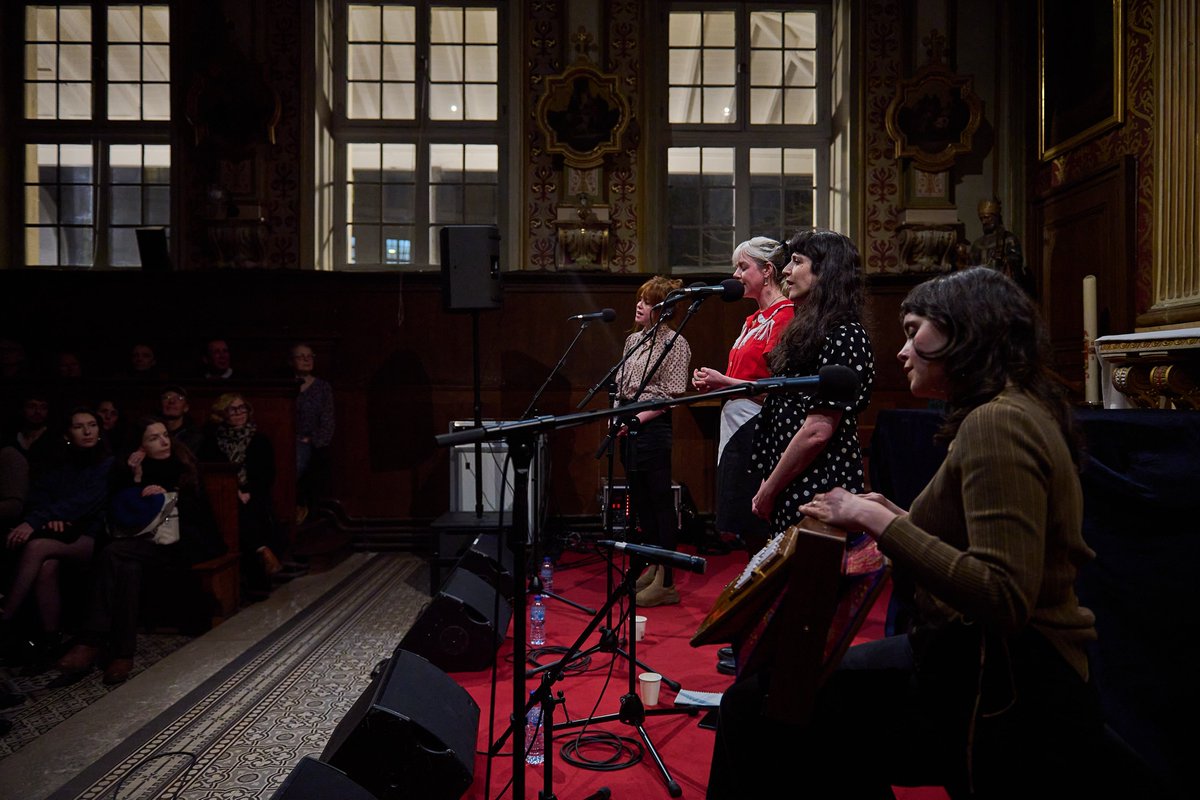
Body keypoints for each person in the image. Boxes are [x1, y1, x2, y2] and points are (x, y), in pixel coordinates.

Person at [707, 266, 1104, 798]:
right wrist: (893, 512)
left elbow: (1003, 595)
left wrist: (878, 519)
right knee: (781, 704)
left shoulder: (998, 422)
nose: (902, 349)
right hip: (978, 656)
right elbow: (968, 541)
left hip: (1005, 677)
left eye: (915, 330)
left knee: (759, 709)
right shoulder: (1009, 411)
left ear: (965, 331)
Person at [56, 418, 224, 684]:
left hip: (179, 546)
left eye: (165, 435)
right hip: (139, 547)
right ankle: (122, 654)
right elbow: (122, 516)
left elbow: (200, 519)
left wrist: (168, 494)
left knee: (113, 553)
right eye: (154, 437)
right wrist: (137, 481)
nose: (164, 441)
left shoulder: (184, 466)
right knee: (127, 567)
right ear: (141, 446)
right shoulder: (129, 470)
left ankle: (91, 640)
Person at [749, 228, 875, 534]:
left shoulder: (846, 334)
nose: (787, 271)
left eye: (796, 261)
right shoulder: (809, 330)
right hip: (794, 480)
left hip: (820, 485)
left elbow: (817, 431)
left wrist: (769, 490)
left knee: (815, 578)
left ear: (825, 271)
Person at [692, 237, 795, 553]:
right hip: (735, 424)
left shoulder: (785, 315)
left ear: (767, 271)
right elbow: (740, 377)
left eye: (742, 267)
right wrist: (717, 383)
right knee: (744, 524)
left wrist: (723, 381)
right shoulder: (751, 320)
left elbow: (778, 387)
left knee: (759, 522)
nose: (735, 275)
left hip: (760, 426)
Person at [1, 408, 112, 671]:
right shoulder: (60, 463)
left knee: (37, 546)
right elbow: (40, 496)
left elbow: (86, 503)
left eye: (92, 425)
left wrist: (37, 521)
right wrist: (46, 517)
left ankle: (5, 617)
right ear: (67, 433)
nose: (87, 431)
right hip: (60, 534)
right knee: (46, 566)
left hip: (93, 536)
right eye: (79, 426)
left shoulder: (107, 463)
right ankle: (50, 641)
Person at [611, 276, 691, 608]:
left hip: (652, 427)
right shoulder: (634, 340)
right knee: (640, 501)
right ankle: (653, 564)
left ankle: (667, 581)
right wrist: (616, 416)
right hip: (627, 427)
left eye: (647, 301)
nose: (639, 305)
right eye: (639, 299)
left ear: (663, 308)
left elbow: (672, 396)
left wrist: (636, 420)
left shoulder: (676, 343)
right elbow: (620, 385)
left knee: (659, 503)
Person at [199, 393, 283, 595]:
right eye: (232, 409)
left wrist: (247, 492)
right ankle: (262, 552)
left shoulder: (259, 440)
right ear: (222, 413)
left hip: (253, 494)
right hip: (223, 493)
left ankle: (259, 576)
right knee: (234, 512)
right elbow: (211, 470)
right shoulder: (212, 440)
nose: (238, 413)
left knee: (247, 513)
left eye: (242, 408)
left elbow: (266, 475)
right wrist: (233, 490)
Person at [290, 342, 335, 524]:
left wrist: (311, 440)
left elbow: (328, 422)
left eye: (310, 356)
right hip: (287, 441)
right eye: (301, 356)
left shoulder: (323, 388)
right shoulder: (285, 386)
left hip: (312, 443)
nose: (307, 360)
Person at [970, 198, 1033, 295]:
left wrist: (1004, 260)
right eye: (981, 218)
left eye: (987, 217)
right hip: (981, 289)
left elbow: (1016, 261)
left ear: (996, 217)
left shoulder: (1008, 239)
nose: (984, 222)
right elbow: (972, 267)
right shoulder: (977, 244)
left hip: (1000, 287)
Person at [159, 384, 205, 457]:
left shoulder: (195, 436)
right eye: (166, 397)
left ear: (186, 408)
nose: (172, 401)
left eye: (179, 398)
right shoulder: (149, 432)